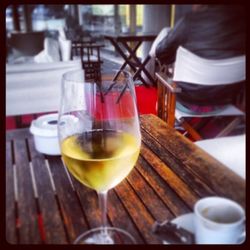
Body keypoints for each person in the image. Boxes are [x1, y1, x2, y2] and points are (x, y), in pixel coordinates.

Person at [155, 5, 245, 113]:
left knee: (164, 82)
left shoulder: (189, 21)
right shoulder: (243, 22)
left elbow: (161, 52)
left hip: (188, 99)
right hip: (228, 98)